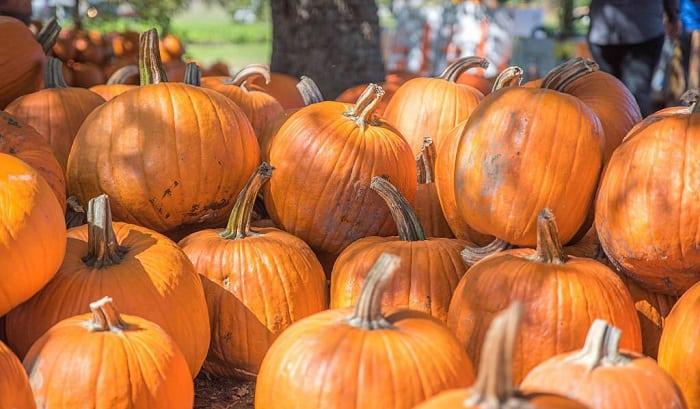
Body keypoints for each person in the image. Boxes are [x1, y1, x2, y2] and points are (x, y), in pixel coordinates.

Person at [588, 0, 680, 116]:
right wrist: (672, 15)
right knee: (616, 95)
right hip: (630, 30)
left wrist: (672, 15)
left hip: (639, 32)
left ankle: (635, 131)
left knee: (627, 96)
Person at [681, 0, 700, 88]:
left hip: (688, 25)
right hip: (689, 25)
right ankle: (691, 97)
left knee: (692, 67)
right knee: (689, 67)